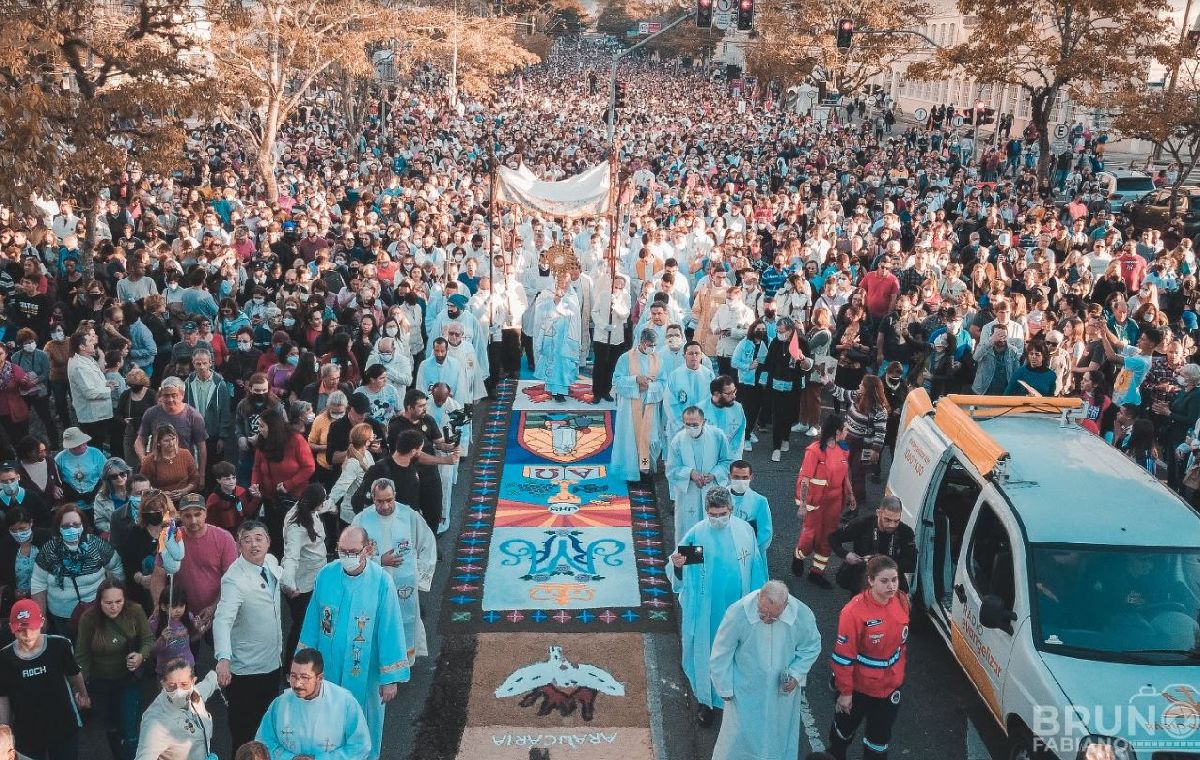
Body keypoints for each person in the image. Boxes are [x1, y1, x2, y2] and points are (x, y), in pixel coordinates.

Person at [298, 525, 409, 760]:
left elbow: (390, 630)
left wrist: (390, 678)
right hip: (329, 669)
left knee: (365, 725)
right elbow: (313, 621)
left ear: (367, 550)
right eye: (342, 550)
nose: (346, 557)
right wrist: (304, 666)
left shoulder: (381, 582)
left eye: (353, 551)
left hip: (365, 673)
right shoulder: (326, 575)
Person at [669, 487, 767, 727]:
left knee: (736, 654)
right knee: (709, 653)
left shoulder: (745, 532)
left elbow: (755, 566)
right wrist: (679, 565)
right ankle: (707, 700)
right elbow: (682, 567)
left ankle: (734, 700)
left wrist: (759, 601)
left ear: (731, 510)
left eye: (722, 513)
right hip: (709, 610)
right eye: (713, 514)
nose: (718, 519)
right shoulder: (699, 534)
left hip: (739, 607)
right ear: (706, 512)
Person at [709, 580, 823, 760]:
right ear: (758, 599)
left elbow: (812, 646)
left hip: (781, 692)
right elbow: (721, 651)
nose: (767, 619)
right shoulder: (738, 612)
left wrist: (795, 674)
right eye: (763, 613)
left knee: (777, 736)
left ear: (785, 606)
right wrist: (724, 687)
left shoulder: (801, 614)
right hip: (745, 689)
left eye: (774, 616)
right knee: (738, 738)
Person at [828, 556, 910, 760]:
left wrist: (897, 677)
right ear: (871, 580)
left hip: (889, 689)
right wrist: (845, 693)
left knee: (878, 743)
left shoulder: (901, 600)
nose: (891, 586)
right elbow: (843, 657)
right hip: (858, 689)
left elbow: (901, 646)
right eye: (884, 581)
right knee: (841, 737)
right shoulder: (854, 612)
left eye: (894, 579)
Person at [213, 520, 283, 752]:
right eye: (247, 540)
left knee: (269, 729)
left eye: (259, 538)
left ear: (268, 542)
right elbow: (223, 619)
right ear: (238, 545)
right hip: (247, 671)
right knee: (245, 734)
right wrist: (223, 657)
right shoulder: (234, 579)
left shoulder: (271, 563)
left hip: (273, 663)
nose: (254, 545)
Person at [351, 478, 436, 666]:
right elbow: (350, 554)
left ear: (395, 495)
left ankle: (405, 659)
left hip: (405, 585)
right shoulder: (362, 520)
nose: (385, 505)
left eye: (389, 499)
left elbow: (427, 544)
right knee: (378, 623)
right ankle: (382, 662)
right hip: (374, 585)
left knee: (405, 620)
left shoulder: (409, 516)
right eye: (380, 501)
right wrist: (379, 561)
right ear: (372, 498)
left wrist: (420, 578)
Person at [0, 599, 90, 760]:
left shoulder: (59, 645)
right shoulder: (4, 658)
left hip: (63, 725)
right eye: (21, 630)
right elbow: (3, 696)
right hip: (27, 732)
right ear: (12, 628)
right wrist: (4, 730)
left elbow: (74, 674)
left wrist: (83, 695)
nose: (27, 635)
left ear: (41, 622)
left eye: (31, 628)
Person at [75, 579, 152, 760]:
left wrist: (141, 656)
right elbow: (82, 655)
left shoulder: (135, 611)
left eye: (119, 602)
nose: (114, 607)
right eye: (108, 603)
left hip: (128, 678)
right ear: (99, 601)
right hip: (100, 682)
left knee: (129, 726)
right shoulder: (88, 619)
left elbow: (148, 639)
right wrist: (81, 689)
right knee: (111, 727)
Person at [256, 649, 372, 760]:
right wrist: (290, 758)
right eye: (293, 676)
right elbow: (263, 742)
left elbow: (360, 746)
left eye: (304, 677)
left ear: (319, 678)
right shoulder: (280, 704)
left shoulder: (345, 703)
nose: (297, 684)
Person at [32, 504, 125, 635]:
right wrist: (41, 616)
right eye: (66, 526)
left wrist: (115, 600)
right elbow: (38, 583)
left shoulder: (96, 545)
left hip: (96, 611)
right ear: (58, 528)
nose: (71, 529)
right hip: (62, 616)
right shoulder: (49, 550)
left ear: (83, 526)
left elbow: (116, 568)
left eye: (76, 525)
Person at [792, 414, 855, 589]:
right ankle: (798, 556)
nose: (847, 431)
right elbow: (805, 479)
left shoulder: (843, 449)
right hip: (816, 502)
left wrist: (850, 494)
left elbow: (845, 474)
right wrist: (803, 505)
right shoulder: (814, 451)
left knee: (828, 537)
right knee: (810, 535)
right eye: (845, 429)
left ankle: (816, 572)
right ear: (836, 431)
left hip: (834, 502)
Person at [249, 408, 315, 552]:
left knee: (292, 537)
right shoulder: (262, 442)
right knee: (274, 536)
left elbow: (309, 467)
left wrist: (289, 484)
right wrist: (255, 485)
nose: (258, 430)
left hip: (293, 499)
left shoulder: (296, 440)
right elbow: (257, 467)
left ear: (272, 427)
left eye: (261, 426)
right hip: (270, 499)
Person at [666, 406, 733, 546]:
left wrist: (713, 474)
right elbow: (671, 469)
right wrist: (690, 473)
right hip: (688, 493)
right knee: (688, 531)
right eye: (687, 424)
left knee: (713, 531)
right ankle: (688, 564)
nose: (691, 427)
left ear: (704, 421)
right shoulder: (677, 441)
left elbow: (727, 461)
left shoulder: (717, 436)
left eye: (695, 424)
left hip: (712, 488)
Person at [134, 658, 221, 760]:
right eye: (172, 686)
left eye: (184, 684)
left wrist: (220, 673)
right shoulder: (155, 722)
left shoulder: (195, 694)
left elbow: (208, 684)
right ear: (163, 684)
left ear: (193, 682)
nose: (179, 691)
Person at [280, 484, 328, 672]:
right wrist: (289, 584)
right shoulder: (297, 527)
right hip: (301, 587)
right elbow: (291, 557)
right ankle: (290, 669)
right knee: (301, 628)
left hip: (312, 579)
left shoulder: (304, 509)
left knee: (309, 624)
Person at [610, 328, 666, 482]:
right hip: (630, 406)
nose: (652, 348)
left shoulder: (657, 359)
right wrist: (635, 381)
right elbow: (617, 381)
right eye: (649, 344)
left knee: (649, 437)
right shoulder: (625, 358)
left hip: (649, 404)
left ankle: (645, 469)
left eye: (654, 345)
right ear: (641, 342)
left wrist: (650, 387)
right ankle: (629, 471)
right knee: (630, 438)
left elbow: (663, 383)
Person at [830, 497, 918, 593]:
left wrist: (882, 562)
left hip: (890, 580)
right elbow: (833, 538)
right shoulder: (863, 523)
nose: (892, 525)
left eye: (896, 521)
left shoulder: (905, 532)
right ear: (878, 513)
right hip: (863, 577)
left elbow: (911, 564)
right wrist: (846, 555)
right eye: (887, 520)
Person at [531, 283, 582, 402]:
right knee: (552, 362)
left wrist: (561, 303)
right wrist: (554, 301)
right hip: (552, 335)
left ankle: (563, 388)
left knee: (564, 363)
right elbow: (540, 309)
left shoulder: (571, 295)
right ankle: (555, 391)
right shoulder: (547, 292)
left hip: (566, 335)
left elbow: (574, 313)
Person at [67, 330, 113, 447]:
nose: (93, 342)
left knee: (100, 442)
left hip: (98, 414)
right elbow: (90, 392)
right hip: (92, 417)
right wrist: (109, 390)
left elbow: (92, 382)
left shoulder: (88, 359)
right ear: (82, 346)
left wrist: (105, 383)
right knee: (95, 446)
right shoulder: (79, 366)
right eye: (89, 341)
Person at [140, 425, 202, 501]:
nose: (171, 443)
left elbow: (195, 479)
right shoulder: (149, 461)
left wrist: (185, 490)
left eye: (173, 439)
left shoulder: (185, 454)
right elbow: (142, 484)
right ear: (159, 443)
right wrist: (160, 493)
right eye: (166, 441)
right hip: (160, 501)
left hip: (185, 499)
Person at [727, 459, 772, 555]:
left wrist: (752, 553)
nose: (740, 481)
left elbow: (765, 533)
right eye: (736, 477)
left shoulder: (760, 501)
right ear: (729, 476)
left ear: (751, 477)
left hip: (750, 552)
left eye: (744, 478)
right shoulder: (719, 498)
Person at [54, 426, 107, 506]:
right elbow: (53, 478)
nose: (84, 446)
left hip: (97, 496)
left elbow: (107, 476)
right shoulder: (60, 458)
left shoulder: (95, 453)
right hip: (73, 500)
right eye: (79, 445)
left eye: (84, 443)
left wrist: (98, 494)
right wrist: (55, 487)